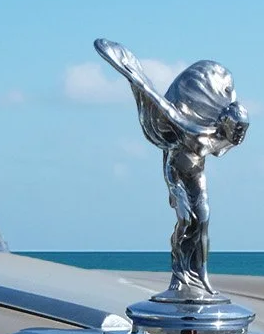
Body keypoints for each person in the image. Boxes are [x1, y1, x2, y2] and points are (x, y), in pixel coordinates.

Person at [95, 39, 249, 303]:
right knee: (186, 220)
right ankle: (180, 276)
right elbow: (162, 106)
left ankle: (199, 275)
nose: (234, 136)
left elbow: (224, 146)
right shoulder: (191, 129)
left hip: (196, 176)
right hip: (176, 174)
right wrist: (135, 77)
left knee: (203, 219)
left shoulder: (220, 137)